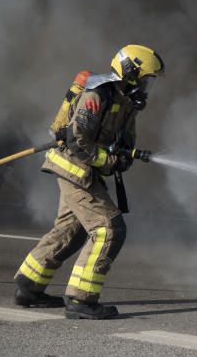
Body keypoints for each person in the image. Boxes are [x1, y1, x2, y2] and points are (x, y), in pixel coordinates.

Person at [13, 45, 164, 319]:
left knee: (71, 231)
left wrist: (125, 155)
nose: (146, 87)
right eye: (145, 79)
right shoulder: (98, 93)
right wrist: (110, 161)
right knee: (109, 228)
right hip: (74, 167)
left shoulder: (126, 102)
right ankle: (81, 300)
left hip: (83, 170)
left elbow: (123, 140)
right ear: (130, 72)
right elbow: (77, 140)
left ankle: (29, 285)